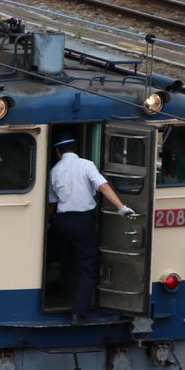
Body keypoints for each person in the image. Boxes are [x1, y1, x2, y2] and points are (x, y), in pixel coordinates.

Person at [47, 133, 135, 324]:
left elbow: (52, 203)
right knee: (87, 266)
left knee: (48, 256)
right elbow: (103, 187)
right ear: (75, 149)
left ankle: (44, 292)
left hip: (62, 221)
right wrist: (121, 207)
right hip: (83, 221)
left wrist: (48, 224)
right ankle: (79, 313)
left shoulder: (54, 171)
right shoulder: (86, 165)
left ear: (57, 151)